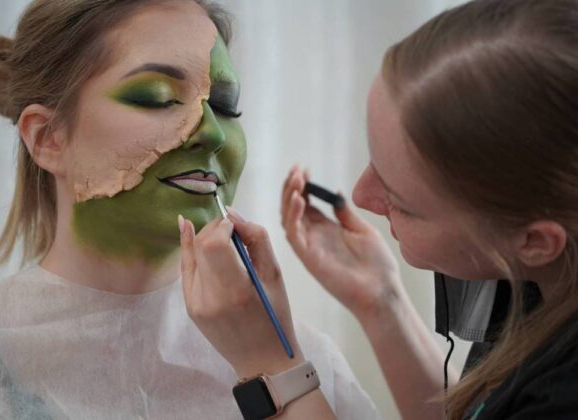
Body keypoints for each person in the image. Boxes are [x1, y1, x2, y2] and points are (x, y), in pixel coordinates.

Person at [0, 1, 379, 418]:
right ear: (48, 139)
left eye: (225, 106)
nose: (213, 133)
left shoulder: (305, 364)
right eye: (158, 97)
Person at [179, 0, 578, 418]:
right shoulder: (546, 281)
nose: (360, 195)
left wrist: (272, 366)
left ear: (534, 241)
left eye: (401, 202)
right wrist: (381, 301)